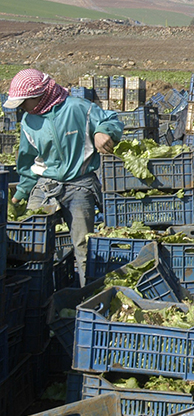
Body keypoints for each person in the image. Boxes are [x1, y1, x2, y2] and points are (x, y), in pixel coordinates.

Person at [6, 68, 124, 286]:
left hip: (80, 184)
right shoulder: (28, 122)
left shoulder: (78, 108)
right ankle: (37, 293)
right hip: (46, 185)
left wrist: (103, 131)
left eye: (24, 102)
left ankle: (87, 292)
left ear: (39, 95)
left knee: (83, 245)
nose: (22, 107)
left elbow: (111, 119)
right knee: (32, 243)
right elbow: (27, 160)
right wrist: (20, 194)